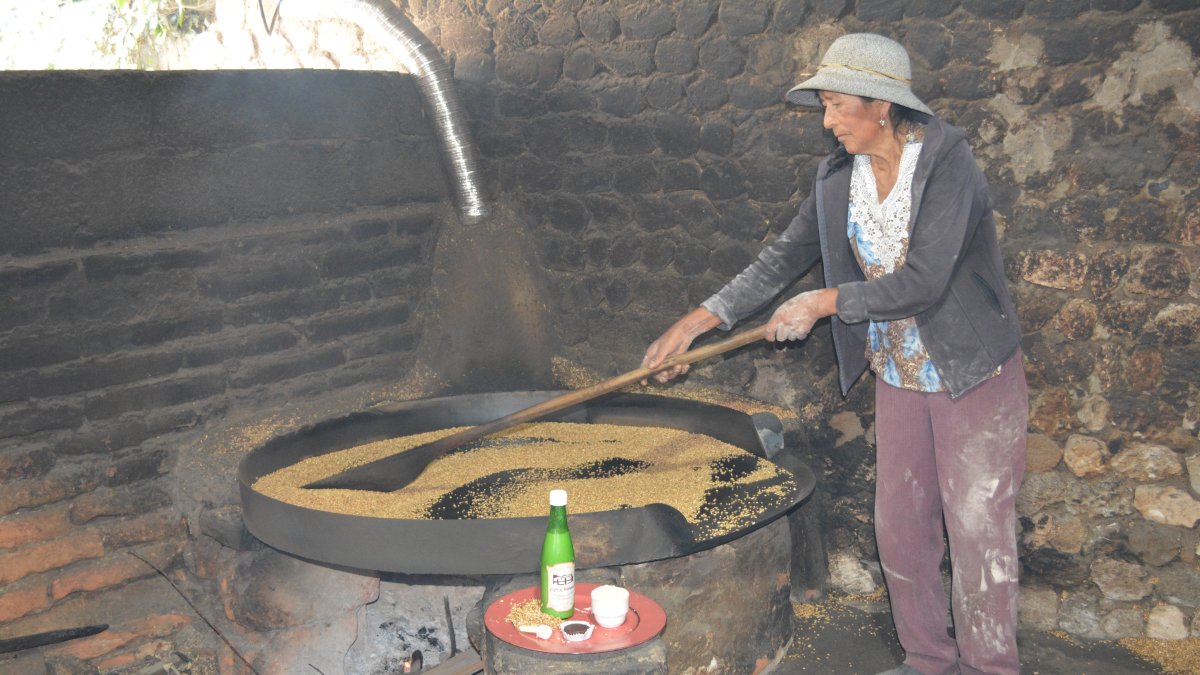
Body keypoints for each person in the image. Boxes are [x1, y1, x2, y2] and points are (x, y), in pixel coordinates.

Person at [642, 33, 1028, 675]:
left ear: (882, 105)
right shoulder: (839, 179)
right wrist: (697, 322)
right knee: (901, 532)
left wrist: (824, 302)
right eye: (824, 105)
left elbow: (926, 280)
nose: (828, 121)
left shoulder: (946, 162)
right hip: (901, 373)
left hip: (970, 373)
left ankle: (991, 668)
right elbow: (781, 260)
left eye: (836, 105)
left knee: (978, 535)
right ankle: (928, 661)